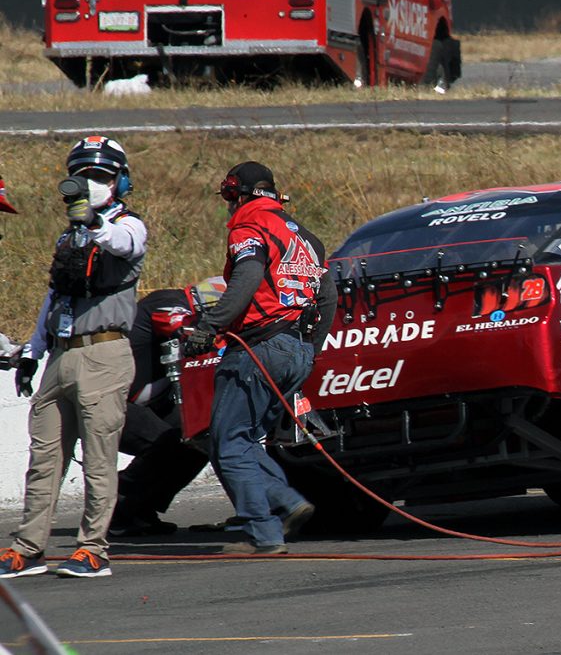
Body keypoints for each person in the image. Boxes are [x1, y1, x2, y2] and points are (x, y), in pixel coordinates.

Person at [0, 136, 146, 578]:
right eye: (83, 175)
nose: (91, 183)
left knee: (100, 458)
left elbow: (124, 245)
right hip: (62, 355)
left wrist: (94, 221)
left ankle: (92, 549)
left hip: (104, 353)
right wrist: (34, 350)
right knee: (44, 458)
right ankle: (29, 547)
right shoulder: (70, 235)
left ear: (120, 181)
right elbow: (54, 296)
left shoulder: (128, 225)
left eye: (101, 176)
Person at [182, 161, 337, 554]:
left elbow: (247, 278)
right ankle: (285, 503)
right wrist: (308, 350)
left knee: (228, 442)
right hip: (295, 351)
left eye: (229, 197)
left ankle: (266, 528)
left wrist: (210, 325)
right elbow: (330, 297)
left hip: (259, 348)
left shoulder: (250, 225)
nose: (229, 206)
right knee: (247, 440)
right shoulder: (306, 238)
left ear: (238, 193)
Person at [109, 279, 225, 537]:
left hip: (146, 403)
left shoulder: (182, 305)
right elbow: (181, 329)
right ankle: (116, 505)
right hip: (113, 401)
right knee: (169, 443)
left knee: (200, 437)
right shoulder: (168, 302)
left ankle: (140, 509)